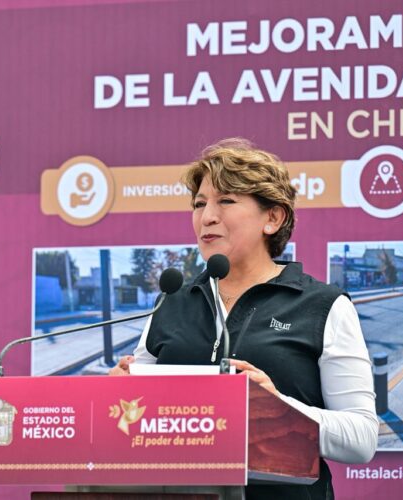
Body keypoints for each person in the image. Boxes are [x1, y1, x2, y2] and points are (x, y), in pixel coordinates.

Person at [110, 138, 378, 499]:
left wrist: (278, 408)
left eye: (226, 201)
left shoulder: (323, 306)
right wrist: (115, 396)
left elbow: (361, 439)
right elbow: (131, 417)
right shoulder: (171, 303)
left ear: (273, 218)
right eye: (199, 203)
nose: (207, 216)